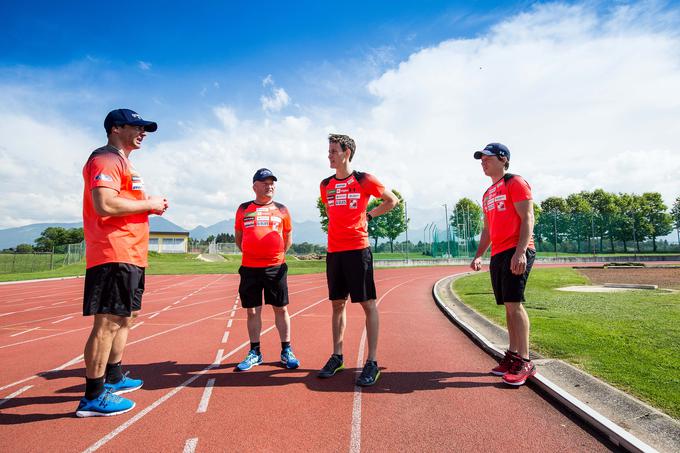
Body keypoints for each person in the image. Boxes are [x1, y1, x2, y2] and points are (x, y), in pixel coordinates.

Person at [76, 109, 168, 417]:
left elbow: (123, 201)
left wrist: (148, 205)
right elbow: (104, 202)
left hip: (131, 253)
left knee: (126, 316)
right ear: (116, 128)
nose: (143, 132)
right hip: (113, 252)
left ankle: (113, 376)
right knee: (108, 321)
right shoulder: (106, 159)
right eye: (138, 126)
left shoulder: (124, 163)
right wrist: (151, 204)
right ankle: (92, 396)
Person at [318, 134, 398, 386]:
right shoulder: (325, 185)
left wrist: (369, 216)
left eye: (333, 150)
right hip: (334, 252)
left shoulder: (364, 179)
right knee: (337, 305)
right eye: (328, 150)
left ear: (347, 153)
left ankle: (371, 362)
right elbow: (332, 213)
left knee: (367, 304)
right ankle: (337, 356)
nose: (329, 155)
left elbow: (391, 200)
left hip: (358, 250)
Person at [470, 143, 536, 386]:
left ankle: (526, 361)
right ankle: (513, 355)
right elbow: (487, 230)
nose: (483, 162)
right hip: (498, 253)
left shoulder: (515, 182)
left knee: (515, 305)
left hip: (516, 250)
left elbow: (528, 218)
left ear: (502, 158)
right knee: (508, 306)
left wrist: (520, 252)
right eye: (481, 159)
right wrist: (479, 255)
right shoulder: (487, 194)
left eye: (487, 158)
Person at [234, 168, 300, 371]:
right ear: (255, 186)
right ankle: (255, 352)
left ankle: (286, 350)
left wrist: (276, 255)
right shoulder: (243, 208)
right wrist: (251, 252)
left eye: (272, 182)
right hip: (250, 268)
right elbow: (239, 236)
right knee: (252, 311)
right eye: (264, 182)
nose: (269, 185)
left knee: (281, 308)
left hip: (275, 267)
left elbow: (288, 237)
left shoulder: (282, 209)